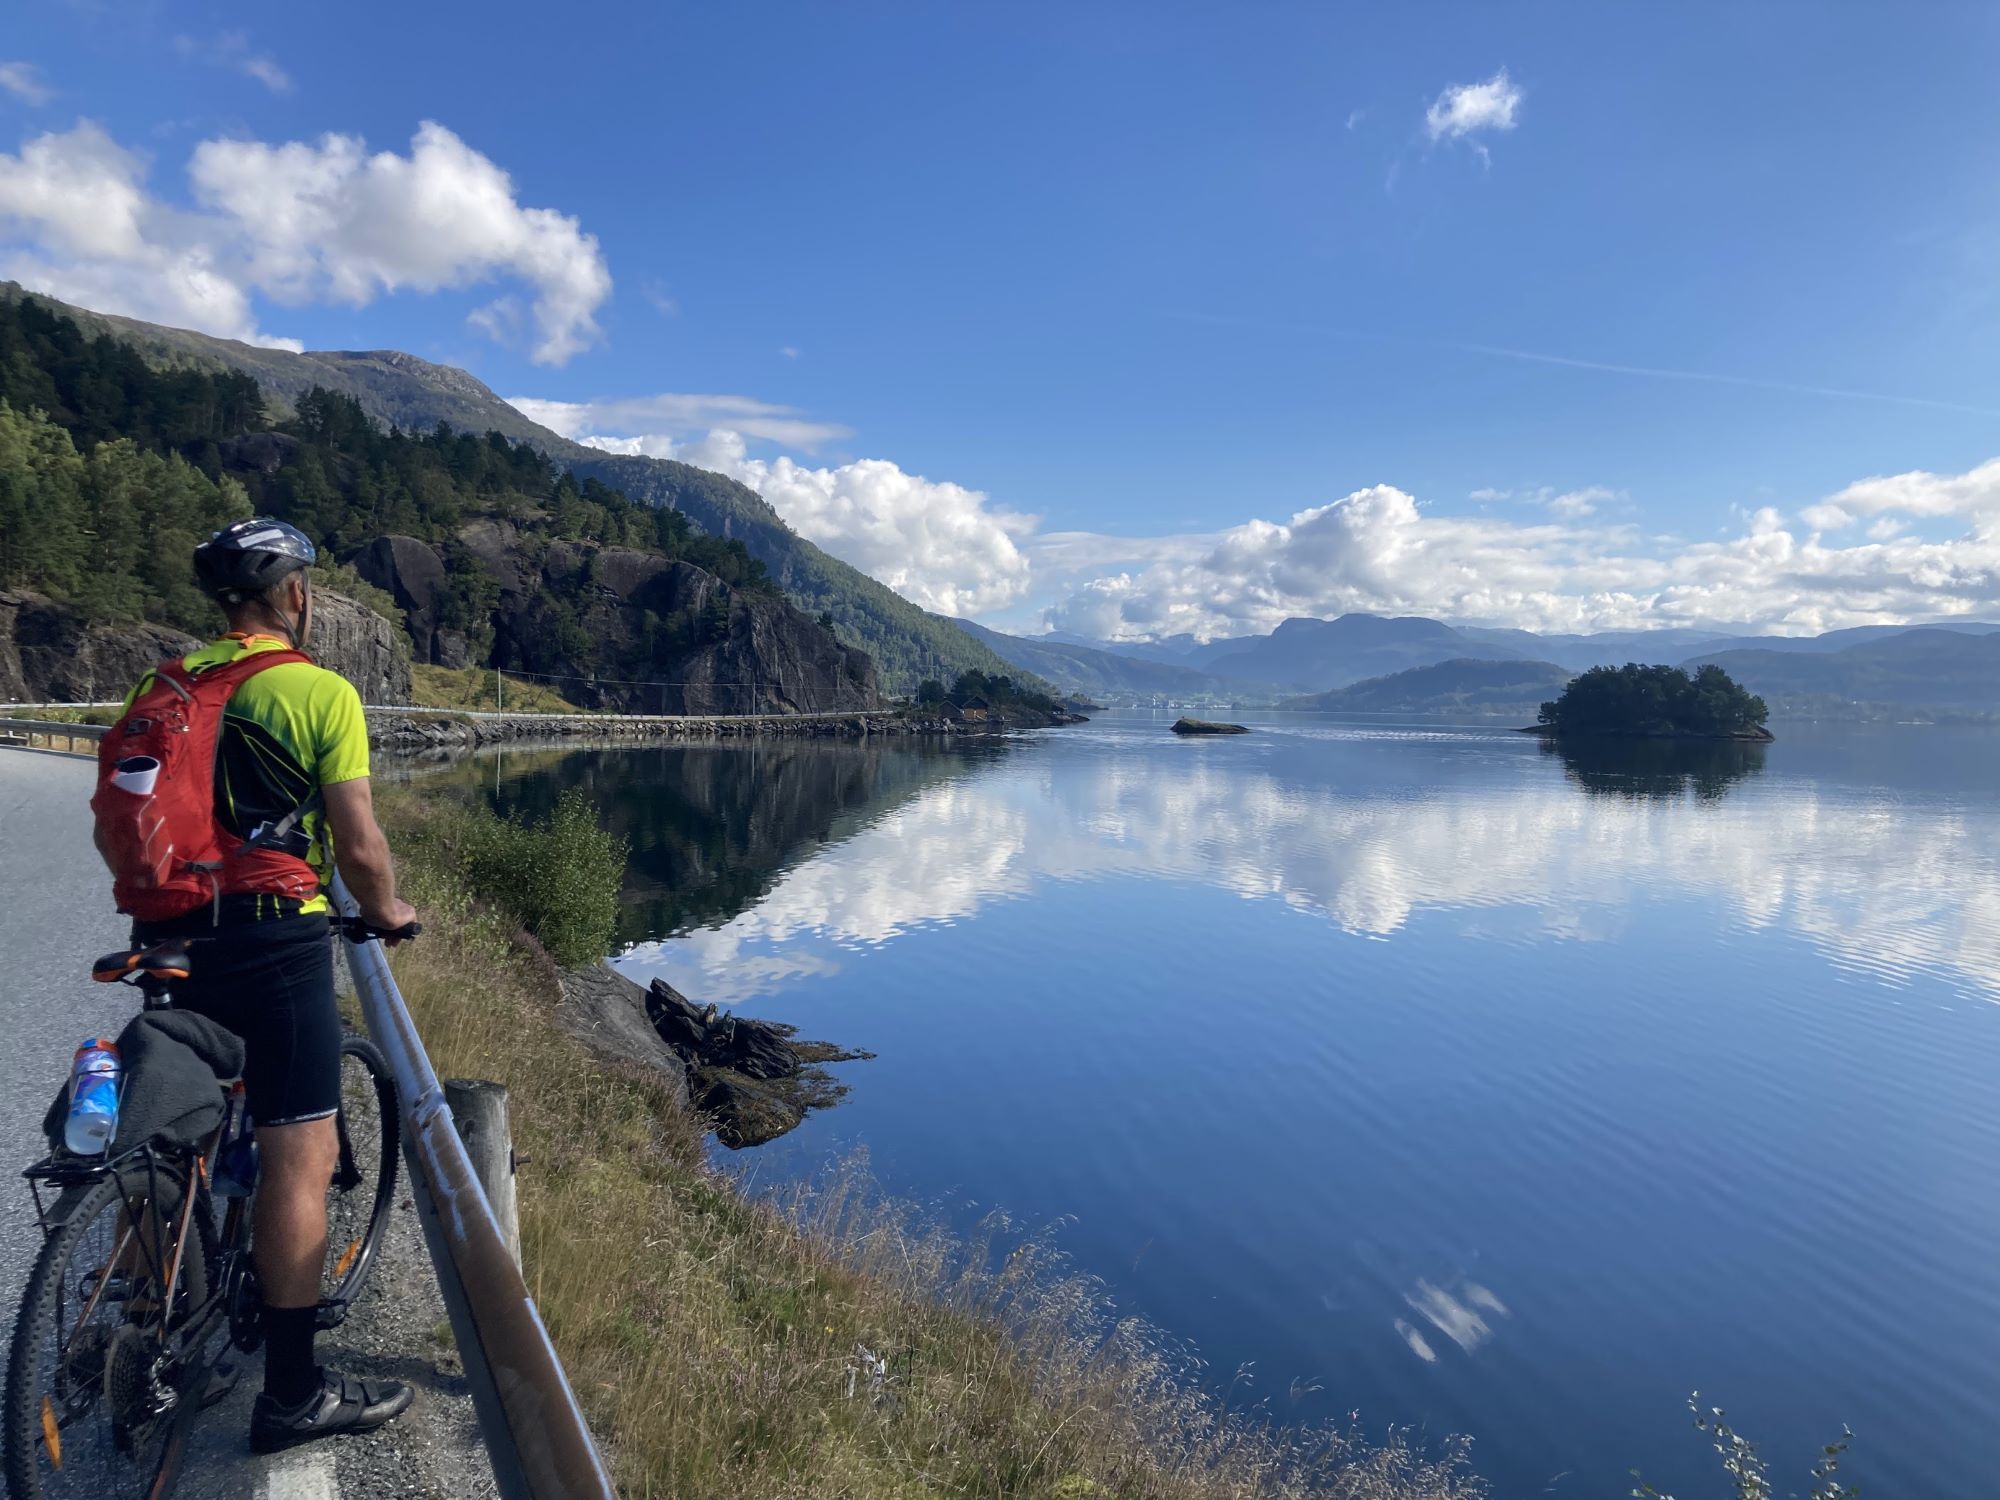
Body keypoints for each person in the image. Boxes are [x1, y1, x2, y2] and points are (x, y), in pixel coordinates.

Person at [110, 518, 418, 1453]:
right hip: (273, 938)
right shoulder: (317, 690)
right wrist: (390, 912)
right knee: (299, 1152)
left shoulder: (163, 685)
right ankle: (291, 1395)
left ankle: (142, 1321)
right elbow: (358, 845)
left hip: (168, 932)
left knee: (174, 1122)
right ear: (294, 595)